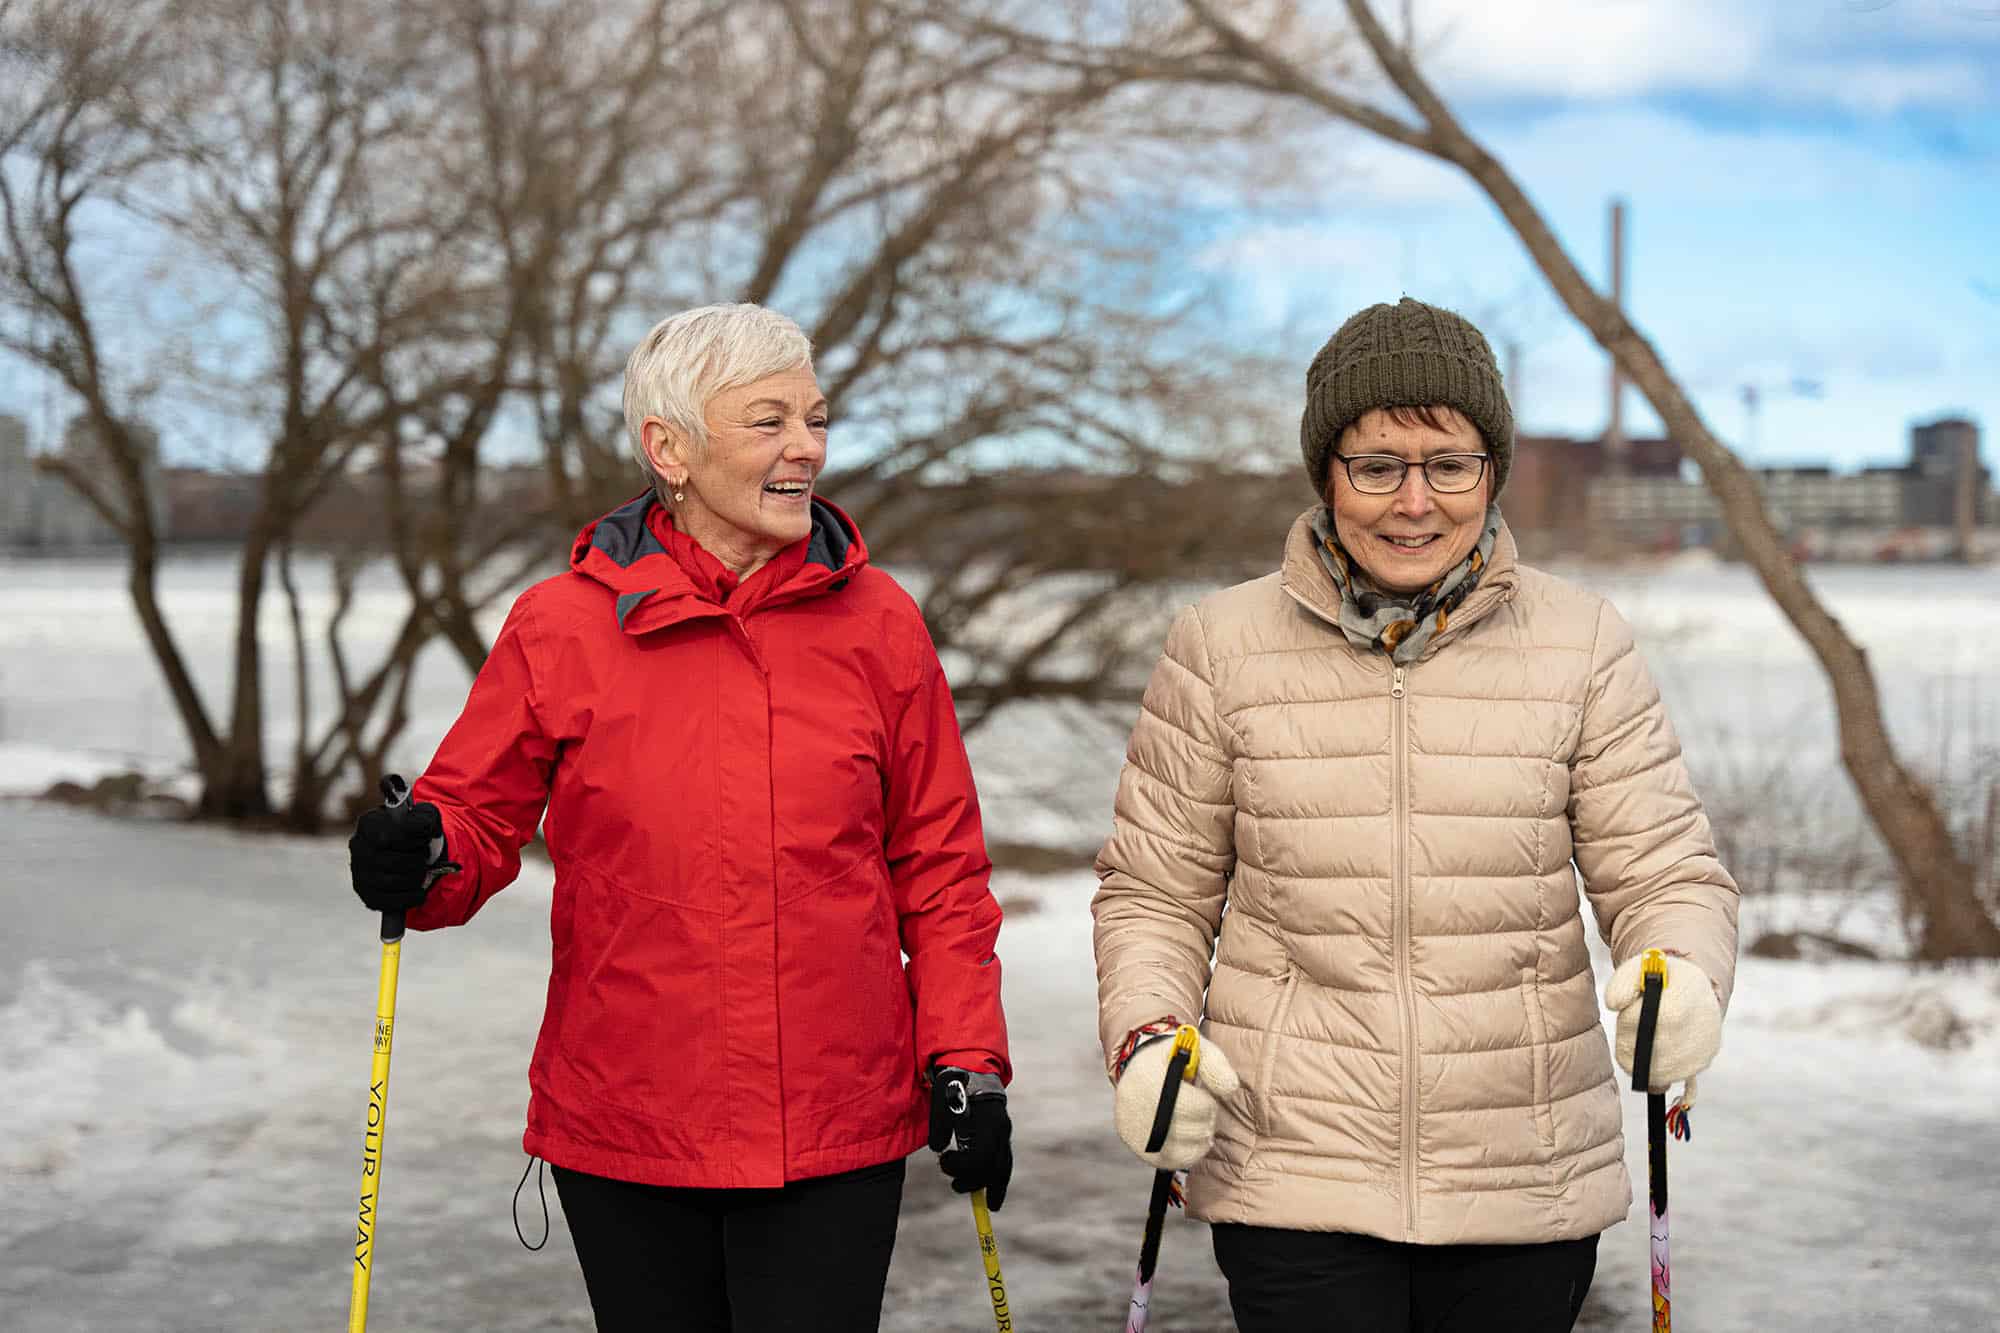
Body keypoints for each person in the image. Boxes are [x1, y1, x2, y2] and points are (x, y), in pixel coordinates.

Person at [346, 303, 1013, 1332]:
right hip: (629, 1118)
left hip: (833, 1122)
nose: (806, 447)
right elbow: (472, 816)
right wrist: (422, 851)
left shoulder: (880, 622)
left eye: (815, 418)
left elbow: (939, 868)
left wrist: (966, 1061)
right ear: (670, 449)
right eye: (768, 422)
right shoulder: (559, 625)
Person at [1092, 297, 1738, 1332]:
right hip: (1291, 1165)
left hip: (1522, 1169)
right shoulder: (1219, 645)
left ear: (1491, 472)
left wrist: (1684, 971)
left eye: (1448, 464)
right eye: (1377, 465)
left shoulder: (1580, 643)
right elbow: (1155, 892)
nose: (1413, 501)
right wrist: (1148, 1033)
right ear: (1326, 474)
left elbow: (1663, 870)